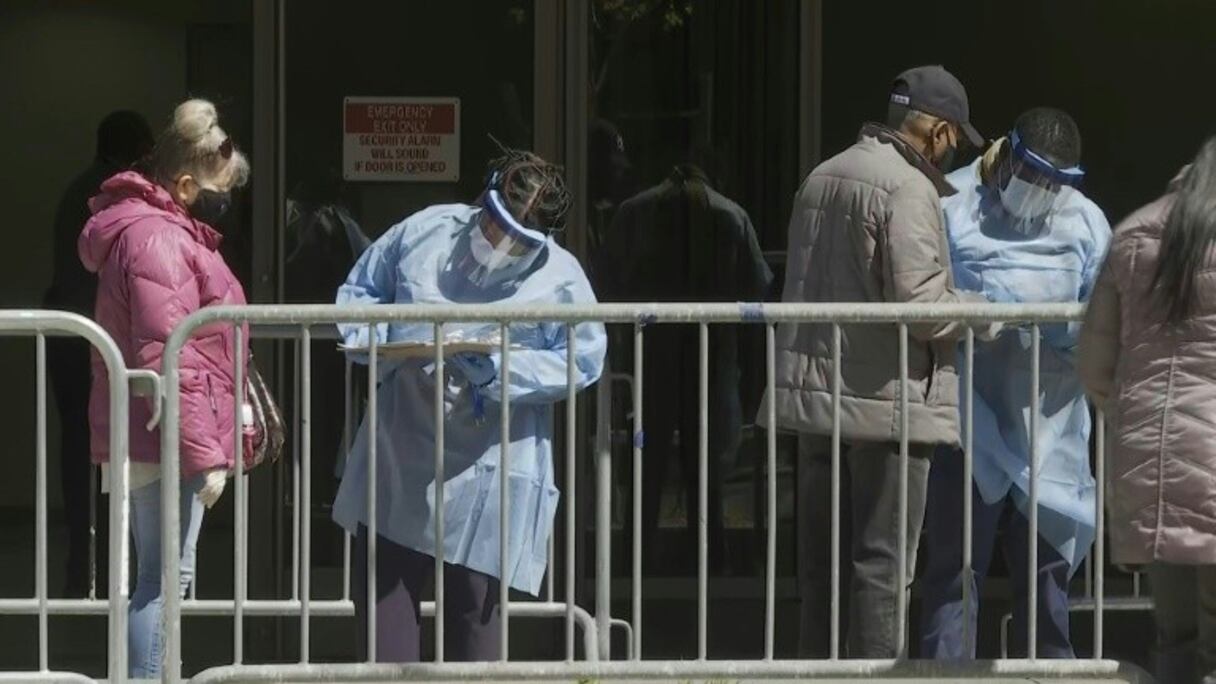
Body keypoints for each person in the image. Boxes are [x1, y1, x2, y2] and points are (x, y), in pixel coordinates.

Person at [332, 147, 607, 662]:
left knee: (476, 632)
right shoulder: (423, 232)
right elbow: (359, 293)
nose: (500, 245)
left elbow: (582, 358)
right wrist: (385, 338)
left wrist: (503, 372)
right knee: (384, 636)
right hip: (403, 448)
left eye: (520, 242)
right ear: (485, 198)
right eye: (494, 225)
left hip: (491, 466)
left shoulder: (562, 277)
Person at [766, 65, 987, 658]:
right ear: (938, 131)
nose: (953, 152)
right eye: (955, 140)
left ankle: (816, 674)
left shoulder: (822, 173)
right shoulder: (908, 189)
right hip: (885, 405)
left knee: (822, 570)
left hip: (815, 400)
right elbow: (921, 306)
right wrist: (982, 312)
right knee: (883, 567)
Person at [919, 108, 1111, 659]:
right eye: (1033, 175)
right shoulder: (952, 205)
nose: (1041, 191)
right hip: (969, 423)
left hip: (1050, 432)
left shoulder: (1086, 223)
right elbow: (924, 295)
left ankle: (1050, 674)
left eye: (1056, 184)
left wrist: (1064, 328)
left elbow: (1105, 323)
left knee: (1047, 583)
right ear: (1008, 156)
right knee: (955, 573)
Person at [77, 99, 252, 678]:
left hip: (158, 429)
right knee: (163, 579)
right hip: (165, 434)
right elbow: (168, 356)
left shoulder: (154, 231)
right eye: (217, 189)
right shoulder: (159, 241)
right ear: (183, 184)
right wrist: (207, 457)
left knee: (162, 575)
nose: (224, 202)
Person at [1080, 135, 1216, 684]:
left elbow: (1094, 364)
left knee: (1174, 634)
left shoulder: (1133, 230)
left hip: (1151, 454)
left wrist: (1129, 413)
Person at [604, 162, 772, 573]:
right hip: (711, 351)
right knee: (708, 461)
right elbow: (759, 286)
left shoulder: (632, 212)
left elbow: (606, 280)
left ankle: (634, 559)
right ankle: (712, 556)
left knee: (648, 459)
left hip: (651, 351)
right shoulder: (731, 214)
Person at [44, 110, 153, 597]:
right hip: (96, 342)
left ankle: (80, 573)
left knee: (78, 453)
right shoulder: (115, 197)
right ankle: (109, 574)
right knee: (112, 453)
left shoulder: (77, 191)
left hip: (69, 337)